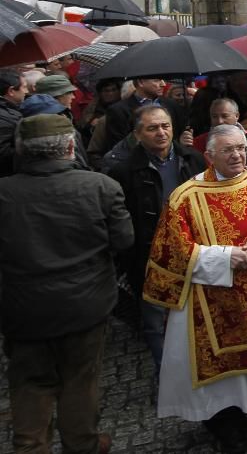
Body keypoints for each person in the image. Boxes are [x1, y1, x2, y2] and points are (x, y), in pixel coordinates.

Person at [143, 125, 247, 453]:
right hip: (213, 302)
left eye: (242, 148)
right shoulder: (185, 197)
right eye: (228, 150)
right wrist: (227, 257)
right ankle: (226, 423)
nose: (237, 155)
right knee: (225, 372)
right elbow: (174, 253)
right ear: (209, 155)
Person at [0, 113, 133, 453]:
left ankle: (30, 445)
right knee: (80, 380)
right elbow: (124, 240)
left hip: (23, 311)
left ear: (21, 150)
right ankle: (82, 444)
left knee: (30, 384)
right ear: (71, 147)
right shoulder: (99, 188)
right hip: (85, 307)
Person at [109, 104, 206, 369]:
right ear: (138, 134)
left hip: (194, 253)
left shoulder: (193, 159)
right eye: (152, 128)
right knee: (156, 324)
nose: (161, 133)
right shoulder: (123, 172)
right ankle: (167, 378)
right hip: (150, 259)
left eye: (165, 126)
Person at [103, 77, 187, 153]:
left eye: (163, 80)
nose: (163, 84)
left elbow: (180, 134)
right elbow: (117, 148)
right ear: (141, 82)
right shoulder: (118, 110)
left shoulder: (171, 105)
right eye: (157, 80)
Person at [0, 68, 28, 177]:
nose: (26, 91)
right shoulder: (6, 118)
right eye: (24, 87)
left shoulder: (9, 113)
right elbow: (3, 154)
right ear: (11, 91)